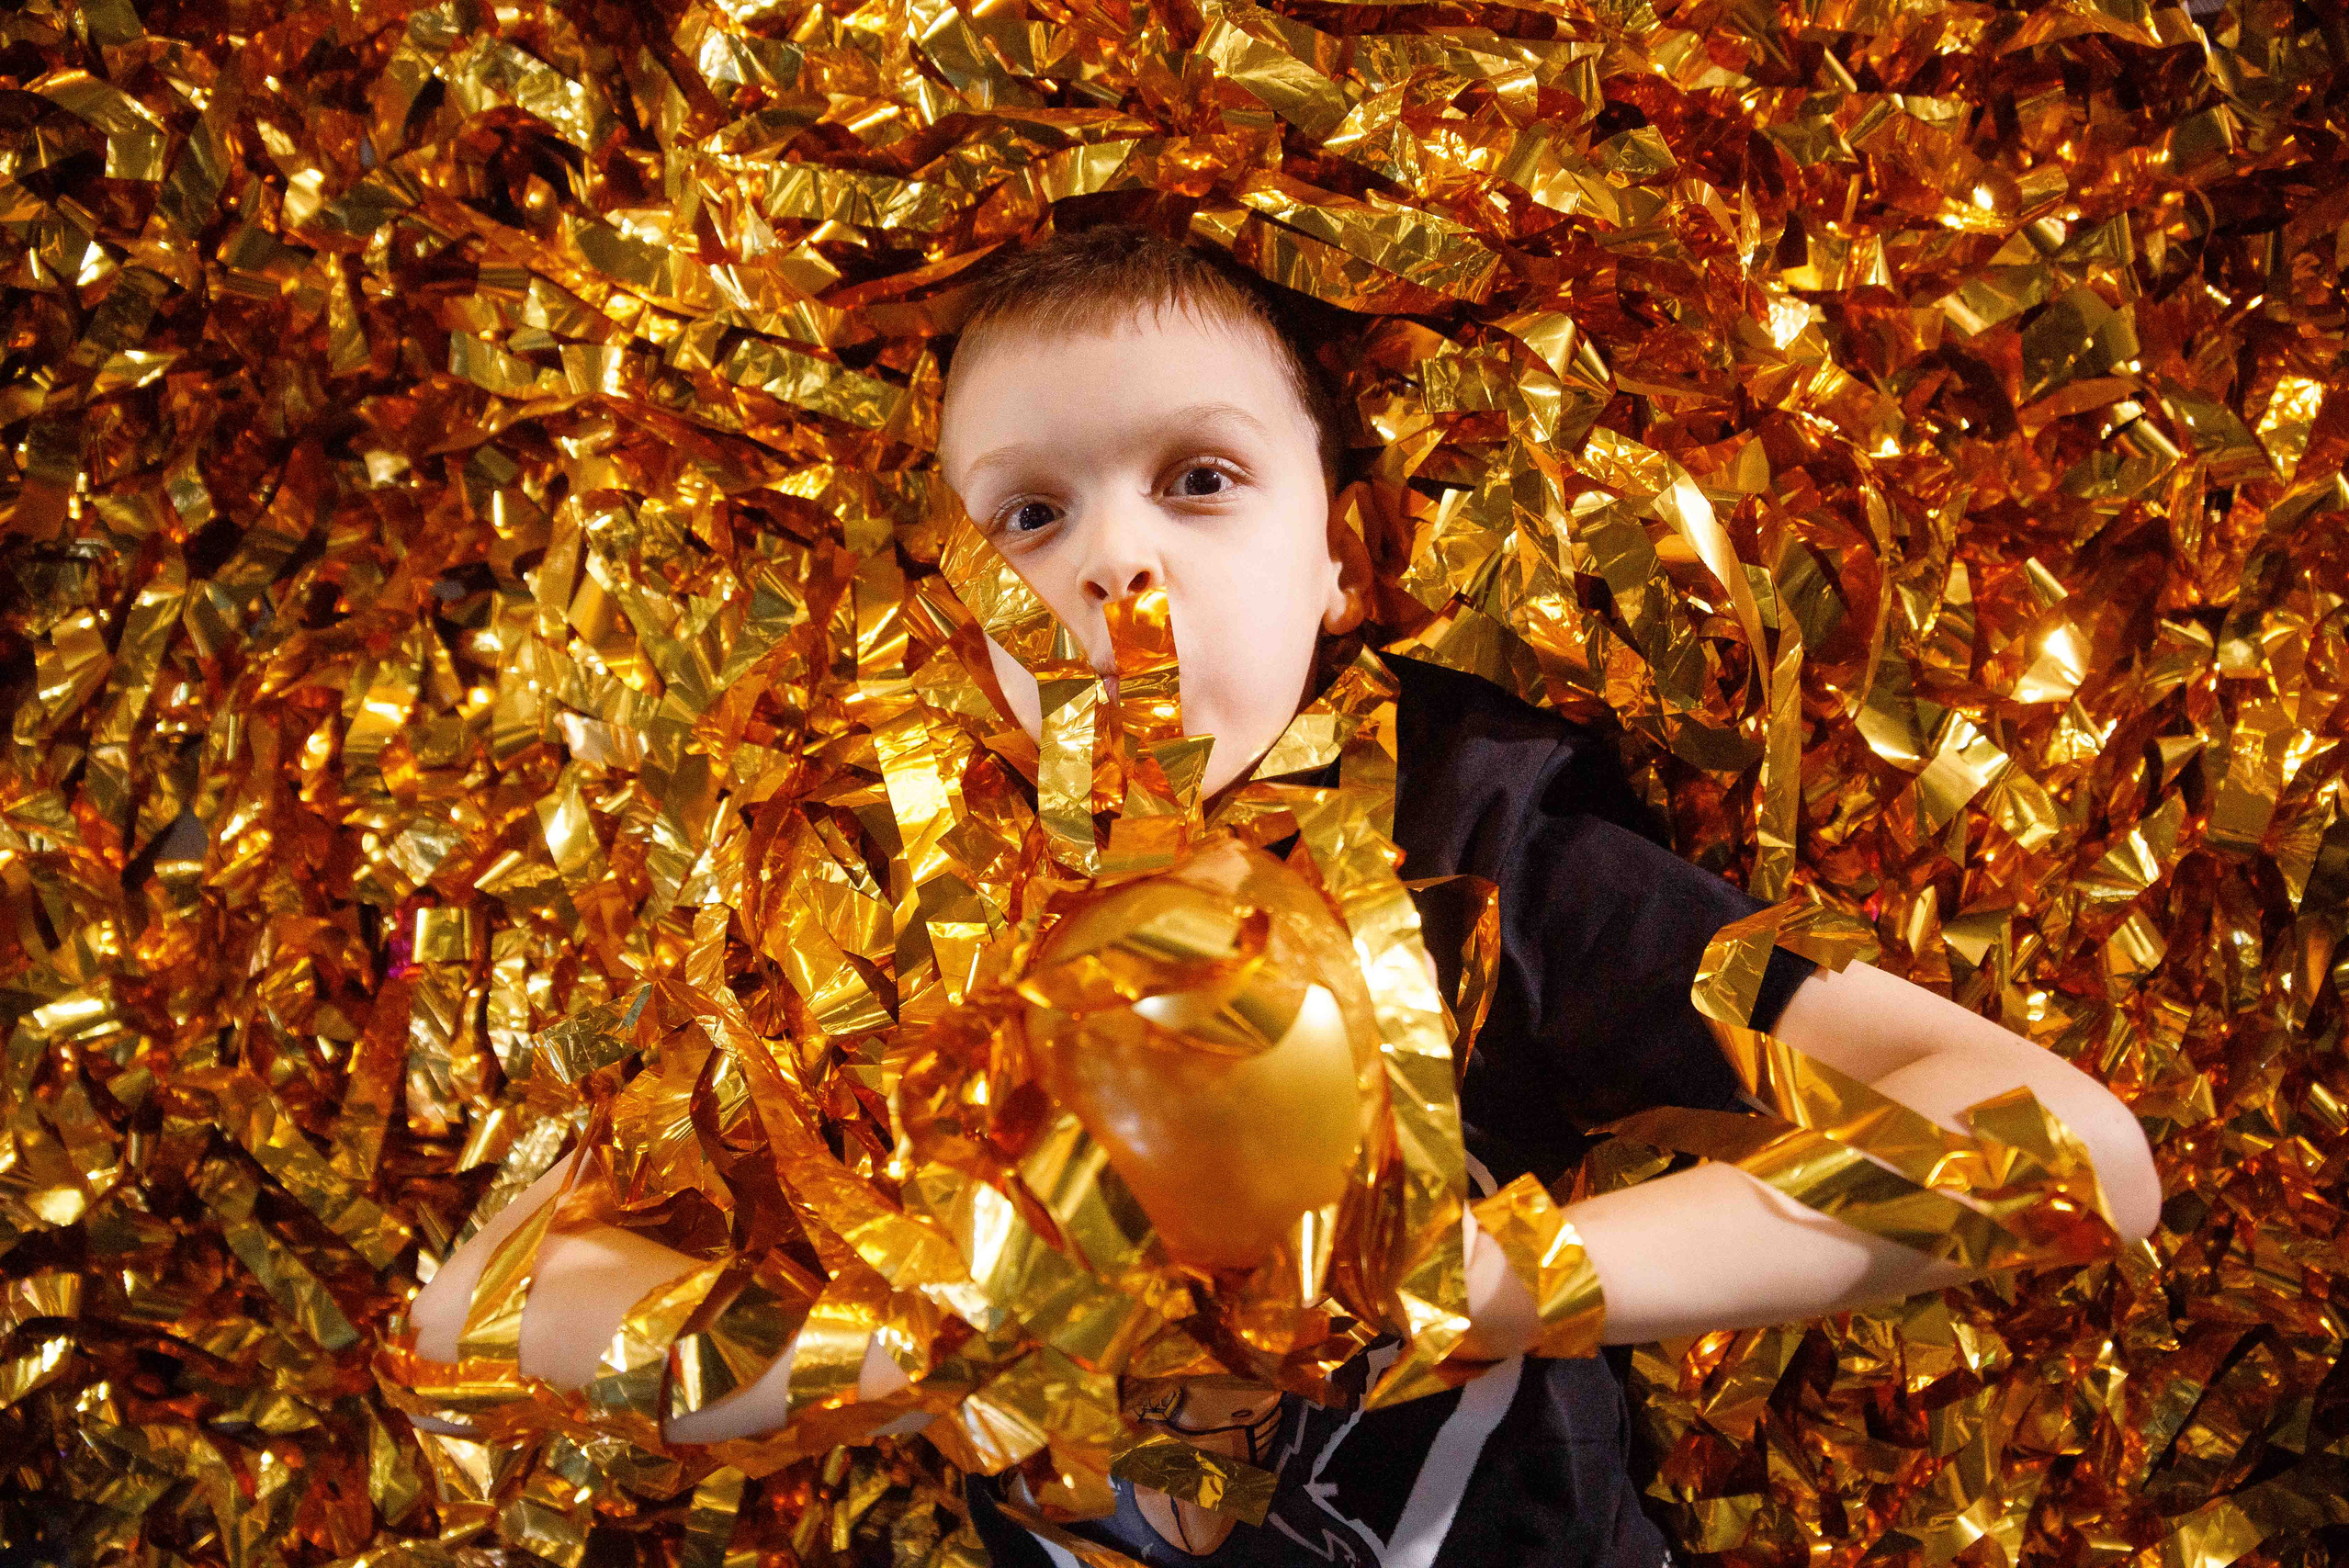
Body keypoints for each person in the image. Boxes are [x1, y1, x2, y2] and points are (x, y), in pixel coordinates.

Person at [408, 223, 2163, 1567]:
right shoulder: (869, 912)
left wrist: (1485, 1279)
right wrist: (928, 1332)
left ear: (1341, 559)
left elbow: (2076, 1147)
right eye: (1027, 517)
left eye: (1199, 479)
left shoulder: (1485, 849)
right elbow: (482, 1301)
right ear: (961, 619)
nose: (1115, 560)